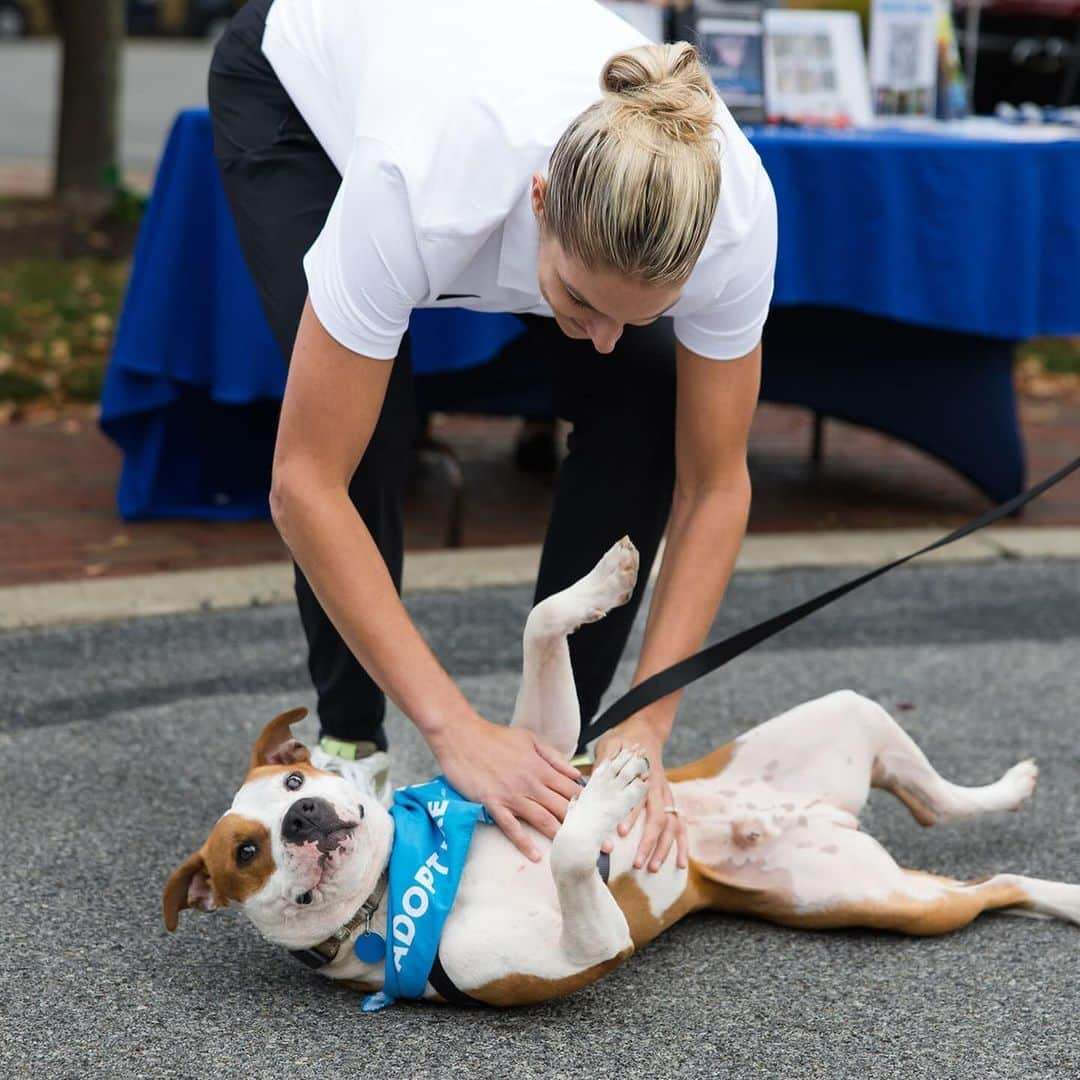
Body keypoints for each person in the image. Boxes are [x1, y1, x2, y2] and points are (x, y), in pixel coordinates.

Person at [208, 0, 776, 875]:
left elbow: (716, 484)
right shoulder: (422, 184)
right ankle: (352, 739)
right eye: (581, 303)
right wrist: (455, 730)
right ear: (540, 204)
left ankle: (559, 751)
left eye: (644, 312)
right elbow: (303, 485)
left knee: (641, 393)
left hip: (474, 84)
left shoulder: (732, 213)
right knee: (364, 421)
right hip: (298, 83)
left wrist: (648, 721)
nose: (600, 336)